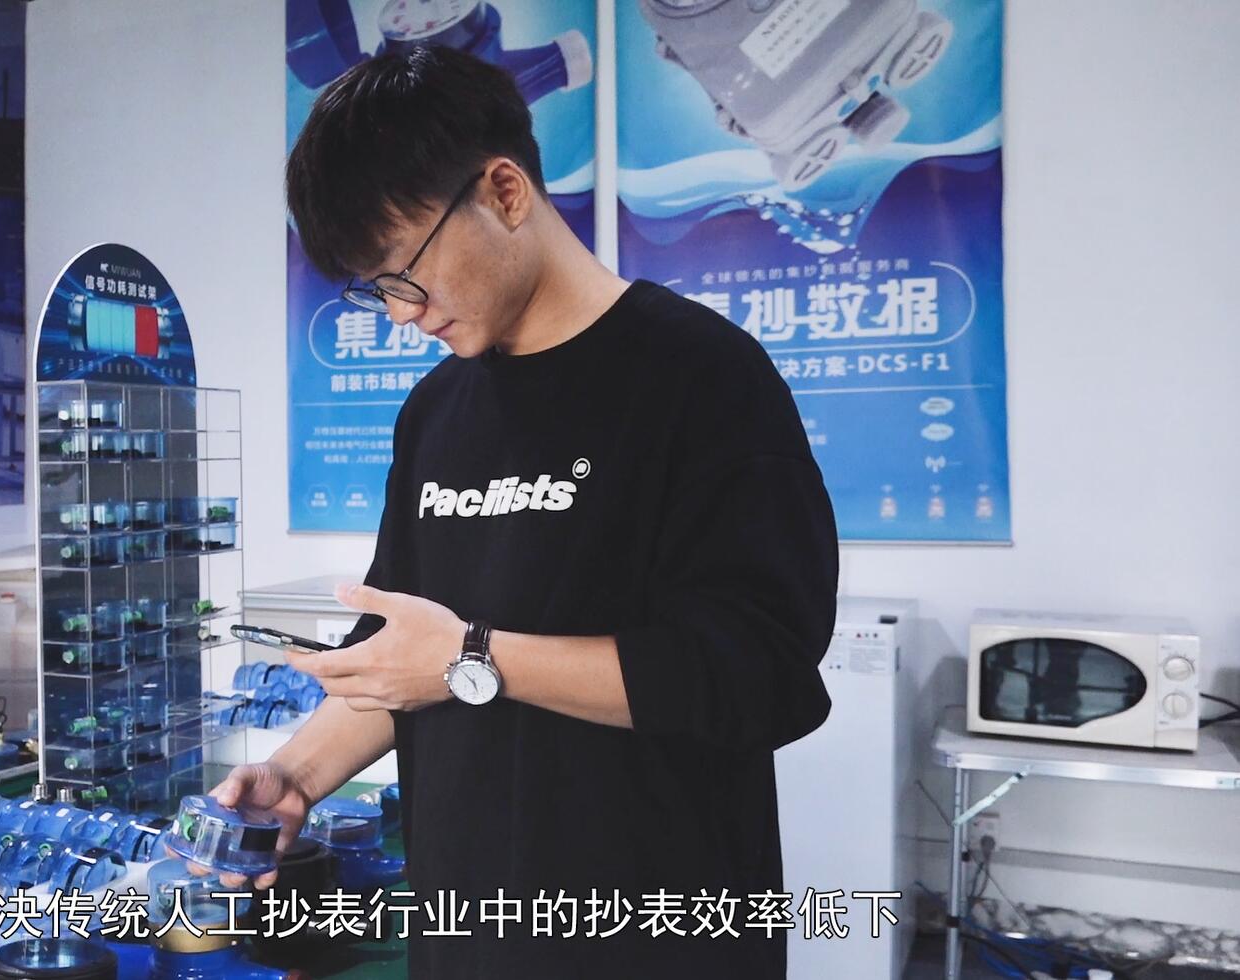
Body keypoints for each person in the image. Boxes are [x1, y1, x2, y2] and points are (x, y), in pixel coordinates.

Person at [212, 44, 838, 978]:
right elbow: (401, 660)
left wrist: (472, 657)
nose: (401, 312)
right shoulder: (435, 412)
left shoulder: (702, 379)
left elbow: (758, 675)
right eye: (376, 289)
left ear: (504, 193)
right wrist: (294, 777)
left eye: (404, 269)